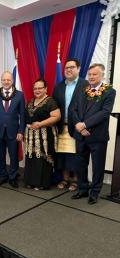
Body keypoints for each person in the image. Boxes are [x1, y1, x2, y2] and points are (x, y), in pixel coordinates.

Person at [70, 63, 116, 204]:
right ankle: (83, 189)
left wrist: (85, 124)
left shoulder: (109, 91)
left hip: (97, 136)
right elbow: (73, 109)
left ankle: (94, 192)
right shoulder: (82, 90)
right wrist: (79, 126)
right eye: (89, 74)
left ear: (102, 75)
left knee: (97, 166)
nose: (91, 77)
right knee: (80, 164)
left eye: (94, 74)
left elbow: (104, 113)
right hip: (80, 134)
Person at [53, 58, 88, 191]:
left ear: (78, 69)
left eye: (72, 67)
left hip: (78, 127)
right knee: (63, 154)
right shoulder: (59, 86)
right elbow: (54, 107)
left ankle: (75, 180)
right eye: (66, 67)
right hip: (62, 126)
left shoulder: (85, 85)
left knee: (76, 154)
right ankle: (64, 178)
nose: (68, 69)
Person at [24, 79, 61, 190]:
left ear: (46, 89)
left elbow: (56, 117)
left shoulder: (50, 101)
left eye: (40, 88)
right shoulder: (30, 102)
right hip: (31, 136)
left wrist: (40, 124)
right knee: (32, 158)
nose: (37, 90)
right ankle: (31, 181)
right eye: (35, 88)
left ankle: (42, 184)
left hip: (45, 135)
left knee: (43, 159)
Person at [0, 71, 25, 188]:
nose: (6, 82)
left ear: (12, 81)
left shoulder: (20, 95)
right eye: (4, 80)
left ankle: (13, 177)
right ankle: (2, 176)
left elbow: (22, 115)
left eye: (8, 80)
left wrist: (21, 131)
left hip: (14, 132)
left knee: (13, 155)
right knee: (0, 155)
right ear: (1, 80)